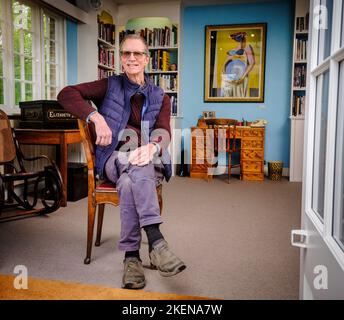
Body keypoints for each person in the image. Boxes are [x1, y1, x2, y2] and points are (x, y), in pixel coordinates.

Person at [57, 34, 186, 289]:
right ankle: (156, 240)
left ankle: (131, 258)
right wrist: (95, 116)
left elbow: (163, 131)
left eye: (137, 53)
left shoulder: (161, 95)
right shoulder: (109, 85)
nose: (131, 58)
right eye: (126, 54)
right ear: (121, 59)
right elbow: (66, 93)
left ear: (147, 59)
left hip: (148, 160)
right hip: (113, 158)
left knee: (130, 181)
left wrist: (151, 146)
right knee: (132, 164)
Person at [221, 31, 256, 97]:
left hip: (239, 76)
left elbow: (252, 63)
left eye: (238, 36)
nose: (235, 38)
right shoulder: (234, 49)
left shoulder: (247, 47)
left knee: (238, 95)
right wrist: (224, 74)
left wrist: (242, 77)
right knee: (227, 97)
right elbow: (226, 62)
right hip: (229, 78)